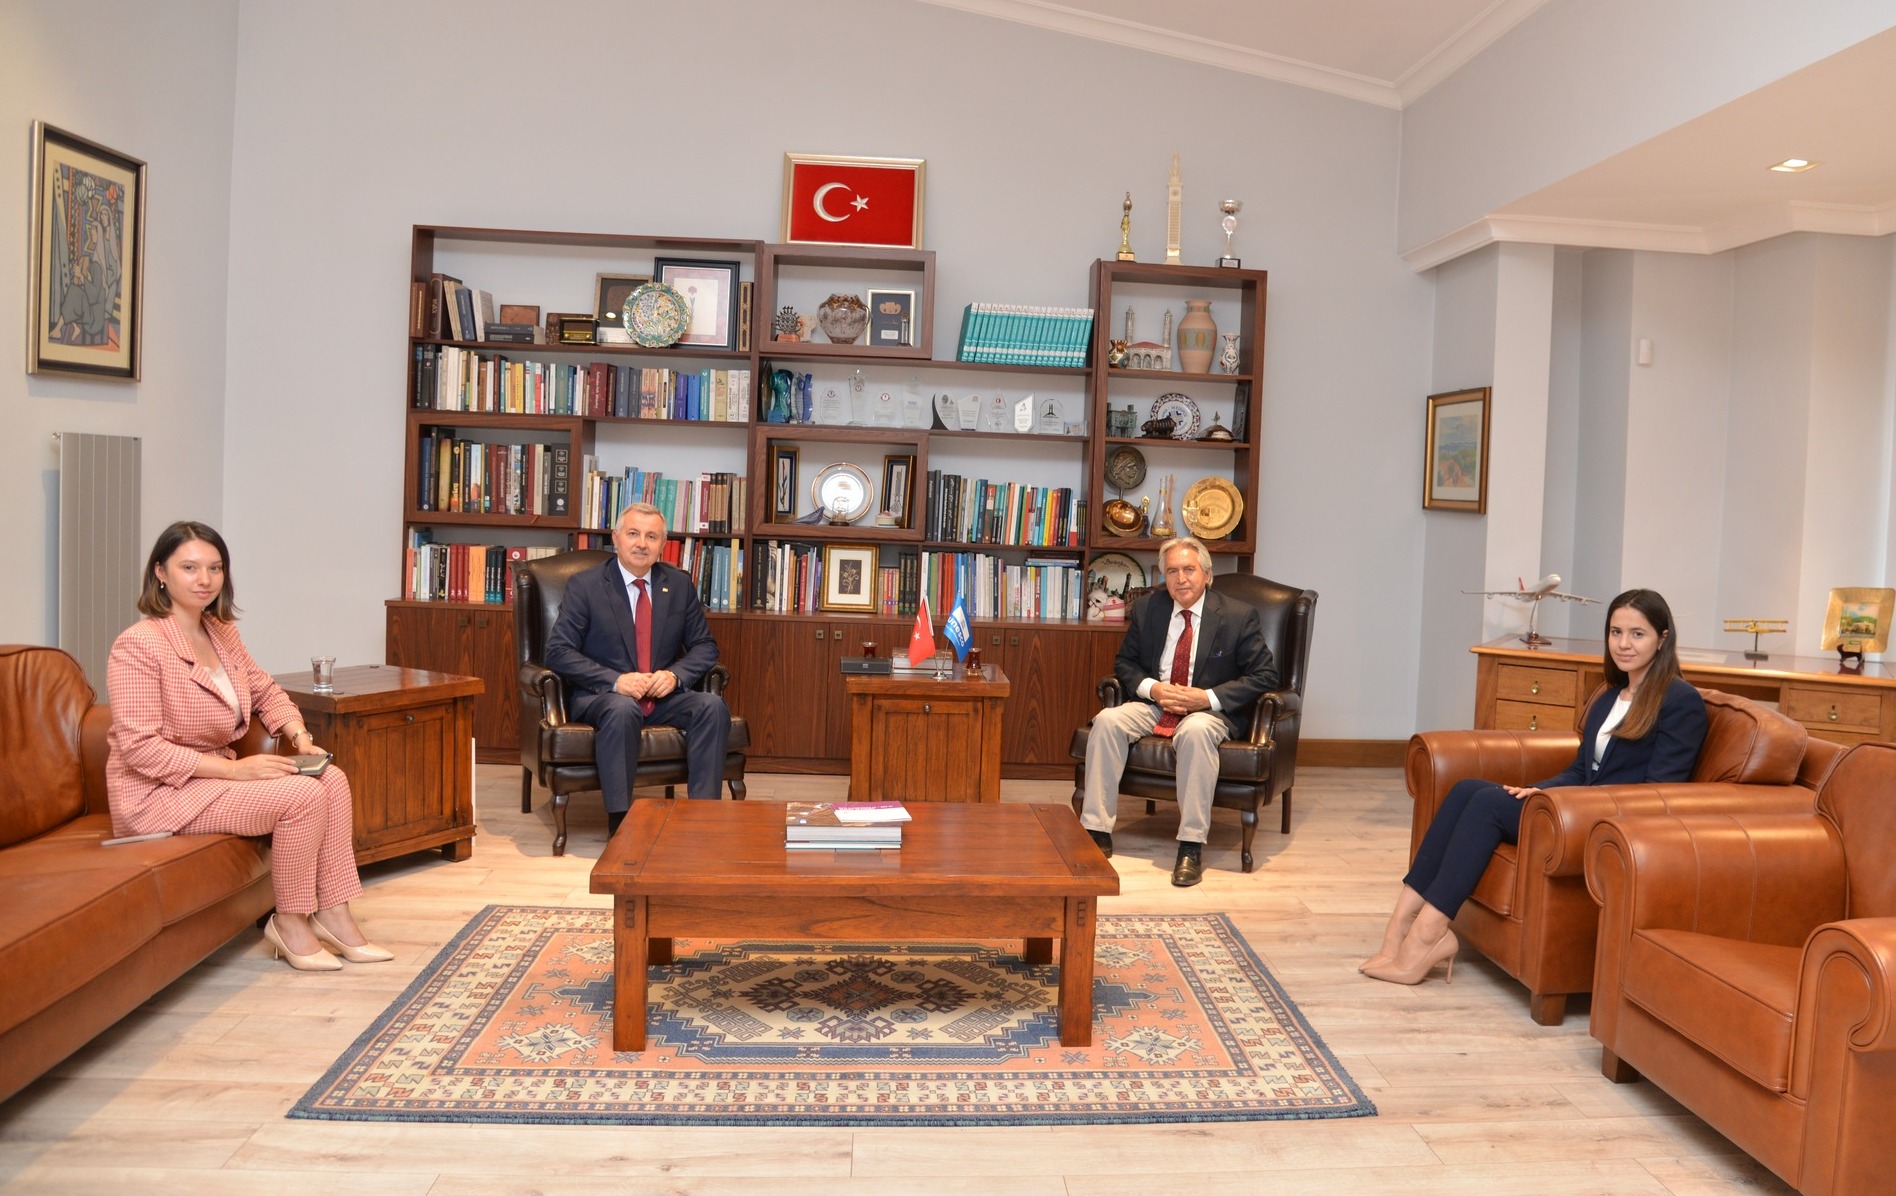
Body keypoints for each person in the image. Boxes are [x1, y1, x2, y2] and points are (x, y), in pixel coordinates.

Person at [1365, 588, 1708, 986]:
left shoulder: (1680, 701)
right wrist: (1541, 790)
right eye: (1616, 632)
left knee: (1487, 805)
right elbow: (1581, 769)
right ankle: (1398, 928)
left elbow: (1660, 791)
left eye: (1637, 634)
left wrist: (1570, 802)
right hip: (1574, 808)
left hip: (1613, 822)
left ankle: (1428, 934)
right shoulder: (1609, 696)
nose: (1623, 644)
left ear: (1662, 639)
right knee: (1465, 790)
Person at [106, 521, 387, 973]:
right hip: (157, 794)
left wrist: (300, 737)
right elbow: (141, 749)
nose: (204, 579)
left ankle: (334, 913)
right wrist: (236, 771)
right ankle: (290, 921)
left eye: (215, 568)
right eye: (189, 567)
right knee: (302, 796)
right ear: (160, 572)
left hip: (209, 780)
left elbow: (265, 691)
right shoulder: (138, 645)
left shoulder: (220, 632)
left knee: (331, 779)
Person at [1080, 536, 1277, 887]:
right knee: (1108, 720)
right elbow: (1125, 664)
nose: (1181, 579)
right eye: (1172, 571)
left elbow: (1265, 675)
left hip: (1207, 711)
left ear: (1207, 575)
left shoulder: (1237, 616)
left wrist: (1207, 698)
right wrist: (1154, 689)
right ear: (1164, 576)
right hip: (1156, 703)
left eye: (1189, 570)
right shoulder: (1148, 609)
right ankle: (1096, 831)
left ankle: (1190, 845)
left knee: (1196, 731)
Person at [543, 502, 731, 835]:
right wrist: (616, 681)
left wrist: (674, 676)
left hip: (662, 696)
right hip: (605, 696)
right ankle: (620, 824)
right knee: (622, 708)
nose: (641, 543)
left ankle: (704, 818)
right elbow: (558, 651)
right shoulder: (586, 585)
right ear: (616, 538)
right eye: (633, 534)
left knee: (712, 707)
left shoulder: (678, 585)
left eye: (651, 536)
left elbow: (705, 646)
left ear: (662, 545)